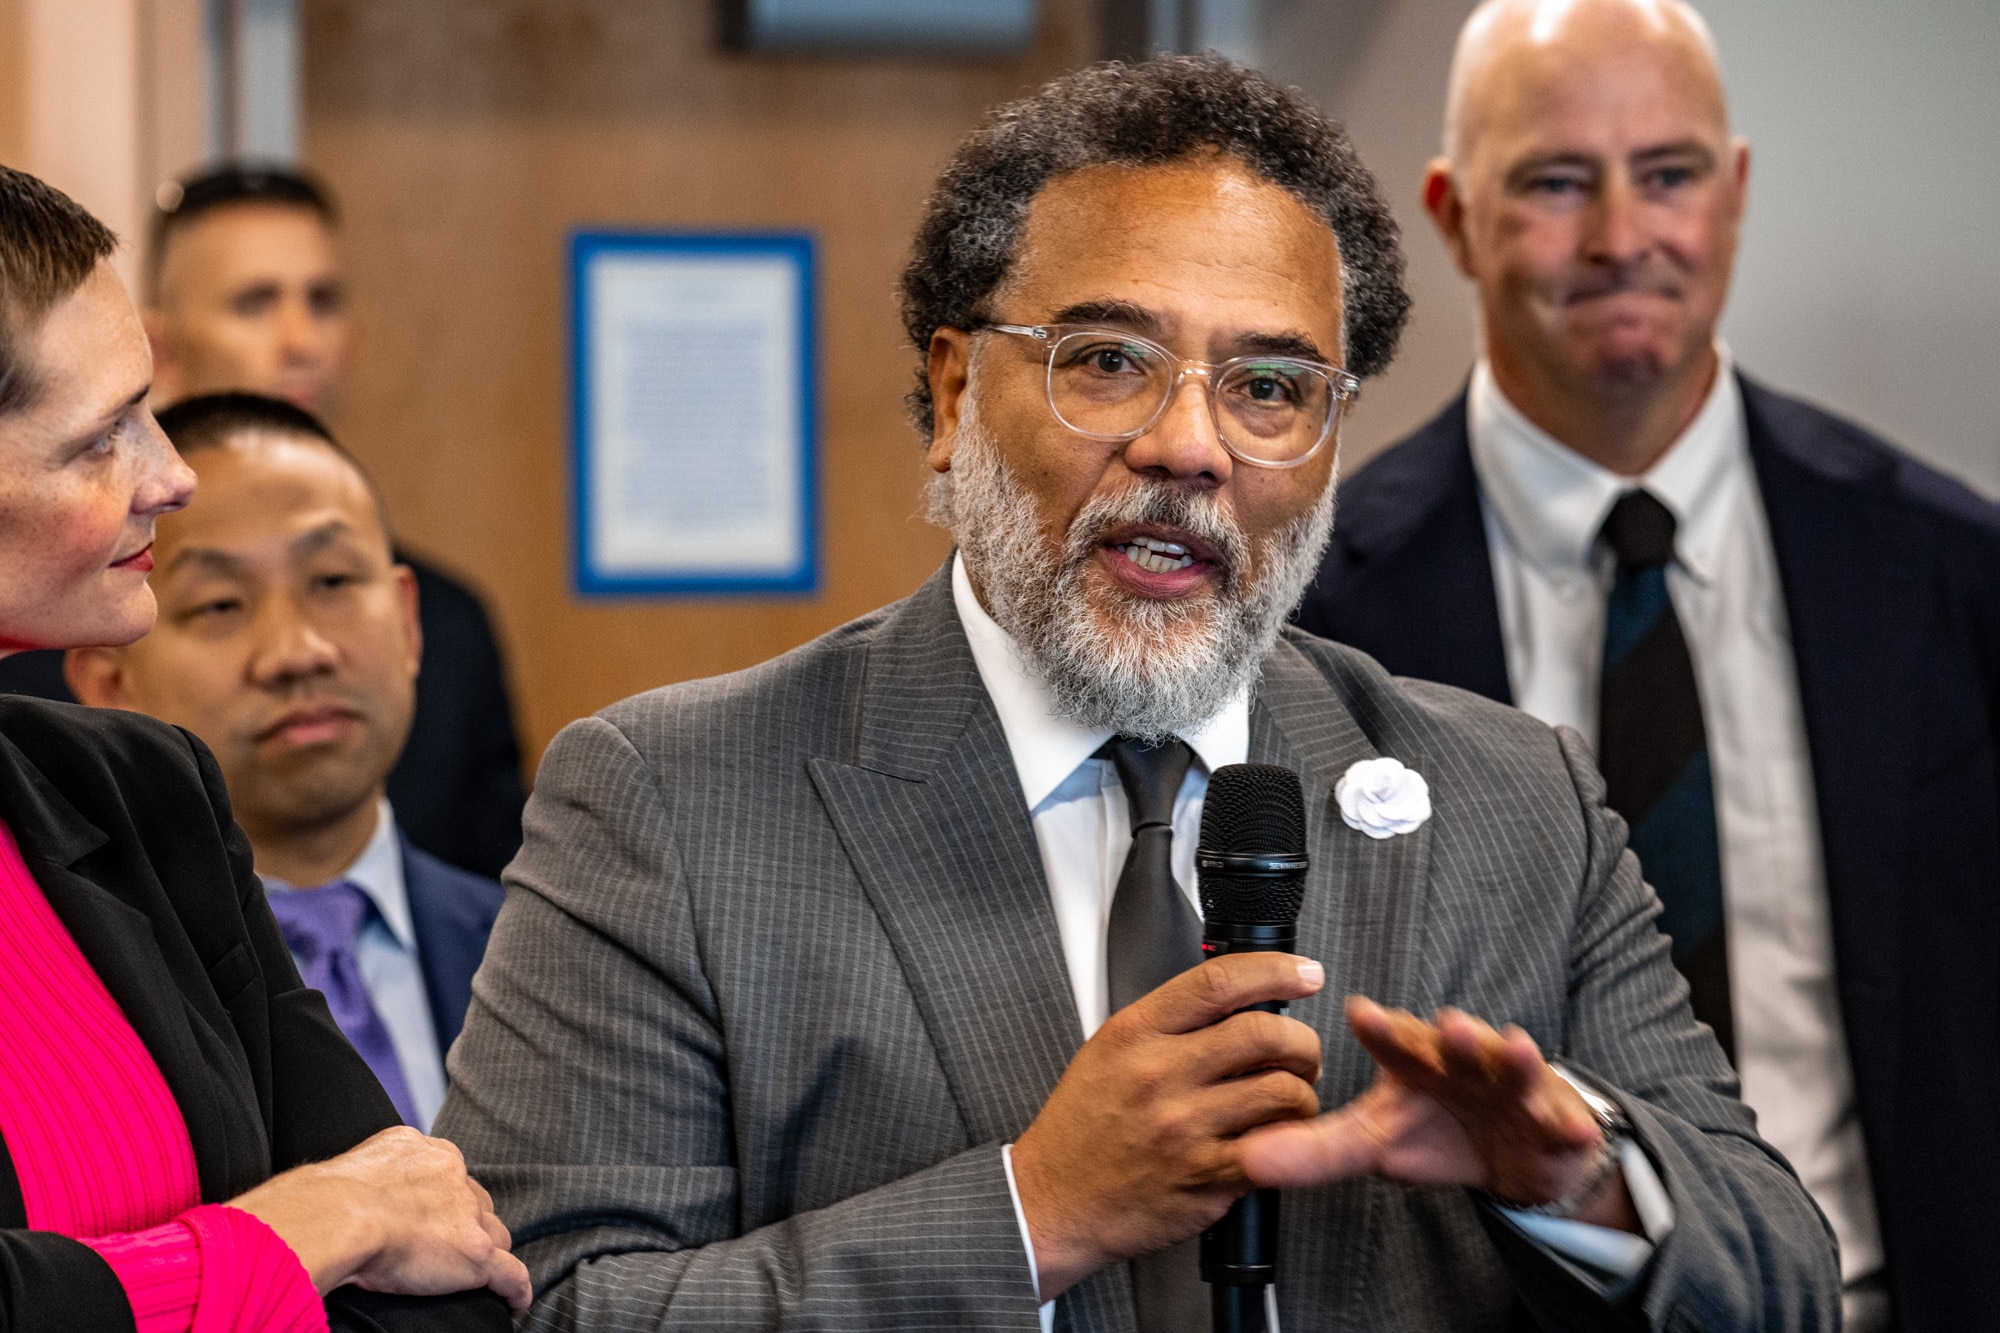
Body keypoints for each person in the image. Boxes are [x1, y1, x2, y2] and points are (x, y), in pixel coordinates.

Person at [437, 56, 1836, 1331]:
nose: (1189, 446)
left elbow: (1784, 1275)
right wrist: (1030, 1216)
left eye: (1269, 386)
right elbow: (541, 1311)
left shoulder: (1515, 801)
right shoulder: (670, 804)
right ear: (953, 393)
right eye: (1108, 363)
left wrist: (1584, 1185)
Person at [1287, 3, 2000, 1329]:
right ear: (1453, 217)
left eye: (1667, 175)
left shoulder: (1955, 571)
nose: (1622, 237)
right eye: (1557, 183)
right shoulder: (1316, 616)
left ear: (1732, 194)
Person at [0, 165, 528, 1328]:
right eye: (102, 439)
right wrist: (308, 1226)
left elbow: (436, 1255)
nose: (172, 475)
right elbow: (363, 1206)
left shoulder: (142, 791)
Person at [0, 165, 526, 881]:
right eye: (254, 303)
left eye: (322, 300)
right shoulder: (52, 635)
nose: (300, 339)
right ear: (161, 347)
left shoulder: (451, 624)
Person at [66, 392, 505, 1135]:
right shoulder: (75, 994)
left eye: (332, 582)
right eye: (219, 604)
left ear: (408, 621)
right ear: (110, 684)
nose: (297, 652)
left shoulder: (541, 955)